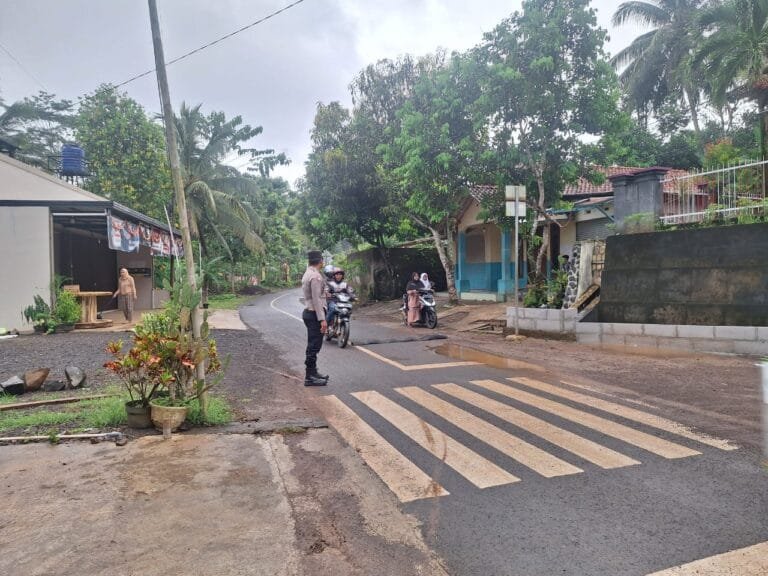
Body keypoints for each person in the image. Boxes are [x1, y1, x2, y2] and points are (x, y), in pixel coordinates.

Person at [301, 250, 329, 386]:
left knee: (313, 344)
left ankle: (313, 372)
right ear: (321, 261)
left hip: (309, 312)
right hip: (314, 314)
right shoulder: (315, 276)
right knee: (314, 346)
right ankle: (309, 377)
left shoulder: (308, 272)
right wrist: (322, 319)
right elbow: (316, 299)